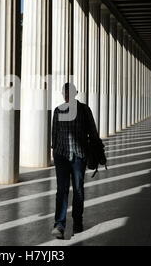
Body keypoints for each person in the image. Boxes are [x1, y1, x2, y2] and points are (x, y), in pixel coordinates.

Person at [51, 83, 101, 239]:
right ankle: (59, 224)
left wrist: (97, 152)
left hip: (79, 156)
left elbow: (93, 132)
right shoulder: (58, 110)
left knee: (78, 189)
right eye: (64, 92)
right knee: (62, 190)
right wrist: (55, 154)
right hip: (61, 155)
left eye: (69, 92)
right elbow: (54, 134)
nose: (66, 95)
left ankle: (77, 221)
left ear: (75, 93)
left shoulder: (85, 110)